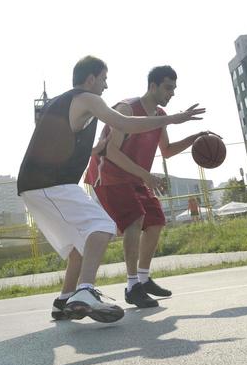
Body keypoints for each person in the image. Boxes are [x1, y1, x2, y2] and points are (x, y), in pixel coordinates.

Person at [18, 56, 205, 324]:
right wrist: (176, 119)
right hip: (49, 183)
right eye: (104, 79)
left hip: (38, 185)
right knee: (102, 225)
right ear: (91, 79)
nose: (106, 86)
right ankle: (85, 292)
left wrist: (96, 149)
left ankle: (63, 302)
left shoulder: (69, 104)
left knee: (78, 248)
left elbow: (71, 146)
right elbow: (125, 124)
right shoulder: (86, 98)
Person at [85, 65, 212, 309]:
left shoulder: (160, 114)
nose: (172, 93)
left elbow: (167, 151)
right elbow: (111, 152)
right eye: (167, 87)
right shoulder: (126, 109)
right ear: (152, 86)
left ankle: (143, 279)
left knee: (155, 221)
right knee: (135, 220)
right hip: (108, 176)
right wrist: (146, 175)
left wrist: (195, 138)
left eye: (174, 88)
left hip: (133, 177)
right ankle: (132, 287)